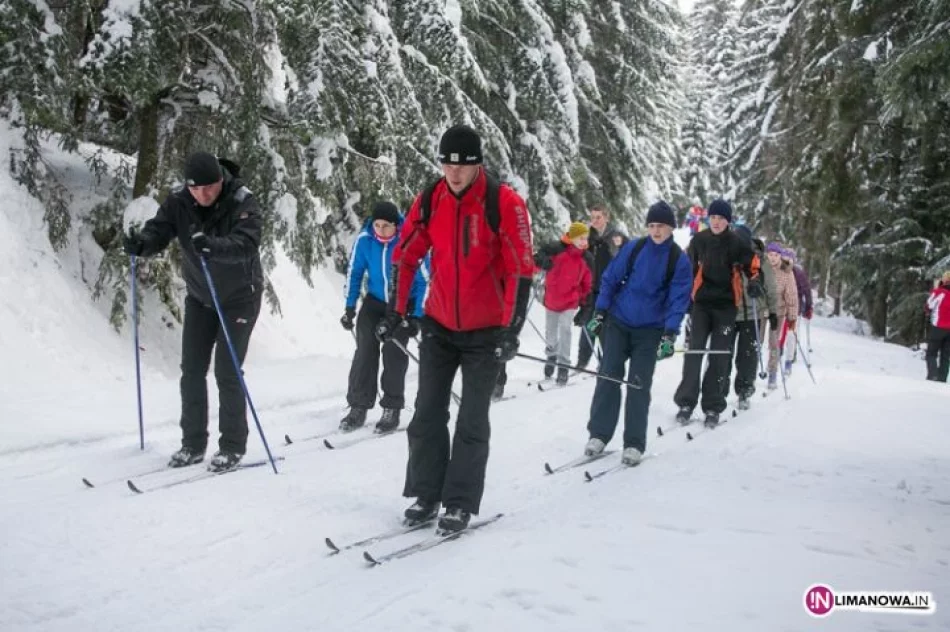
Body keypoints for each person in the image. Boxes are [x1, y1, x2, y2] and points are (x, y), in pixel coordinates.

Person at [377, 124, 534, 532]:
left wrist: (511, 329)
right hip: (439, 323)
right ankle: (427, 494)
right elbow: (406, 256)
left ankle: (459, 502)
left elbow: (521, 269)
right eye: (448, 164)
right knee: (427, 413)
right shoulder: (431, 199)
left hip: (486, 331)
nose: (455, 172)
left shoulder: (504, 203)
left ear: (478, 164)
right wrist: (396, 311)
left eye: (463, 165)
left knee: (472, 419)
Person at [122, 152, 262, 472]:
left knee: (227, 370)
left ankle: (232, 446)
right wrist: (142, 244)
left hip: (240, 297)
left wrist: (213, 246)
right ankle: (193, 444)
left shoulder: (242, 200)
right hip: (201, 297)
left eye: (209, 187)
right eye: (195, 189)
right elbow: (160, 229)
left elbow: (246, 243)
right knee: (192, 370)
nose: (203, 194)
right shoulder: (180, 201)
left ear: (220, 180)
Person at [584, 201, 692, 464]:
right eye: (652, 225)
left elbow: (678, 300)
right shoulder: (634, 248)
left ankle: (633, 443)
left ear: (671, 228)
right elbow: (610, 278)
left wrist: (669, 334)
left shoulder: (678, 260)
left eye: (661, 226)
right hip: (619, 322)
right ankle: (598, 434)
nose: (656, 231)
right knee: (608, 376)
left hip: (650, 330)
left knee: (638, 384)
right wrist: (600, 312)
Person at [339, 201, 429, 433]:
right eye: (377, 225)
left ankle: (391, 407)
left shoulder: (409, 241)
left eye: (386, 226)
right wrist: (349, 307)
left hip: (403, 304)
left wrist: (417, 316)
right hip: (376, 301)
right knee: (365, 350)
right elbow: (354, 272)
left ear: (396, 225)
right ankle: (358, 405)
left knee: (393, 351)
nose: (381, 230)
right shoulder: (365, 240)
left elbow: (424, 281)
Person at [673, 199, 759, 428]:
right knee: (695, 351)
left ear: (728, 221)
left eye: (721, 218)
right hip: (701, 304)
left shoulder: (737, 242)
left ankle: (713, 405)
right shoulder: (699, 240)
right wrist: (686, 300)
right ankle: (686, 402)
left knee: (719, 355)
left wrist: (754, 282)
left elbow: (753, 265)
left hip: (726, 306)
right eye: (713, 217)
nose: (716, 222)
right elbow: (687, 270)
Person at [535, 222, 593, 384]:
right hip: (552, 299)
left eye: (586, 238)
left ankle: (563, 366)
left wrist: (585, 306)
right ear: (572, 237)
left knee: (565, 329)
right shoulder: (556, 249)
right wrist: (542, 261)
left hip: (570, 301)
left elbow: (588, 284)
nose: (584, 241)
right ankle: (551, 356)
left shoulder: (586, 258)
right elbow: (538, 256)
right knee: (551, 334)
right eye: (580, 238)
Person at [730, 225, 778, 408]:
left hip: (752, 314)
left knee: (747, 356)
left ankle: (744, 391)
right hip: (729, 314)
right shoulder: (727, 256)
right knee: (724, 354)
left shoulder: (760, 259)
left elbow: (771, 287)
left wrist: (773, 312)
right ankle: (718, 390)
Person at [576, 204, 627, 369]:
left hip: (608, 289)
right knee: (588, 324)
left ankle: (606, 361)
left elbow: (629, 255)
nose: (595, 221)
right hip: (590, 288)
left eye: (598, 217)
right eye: (592, 217)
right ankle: (582, 361)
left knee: (605, 327)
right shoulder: (587, 236)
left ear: (606, 218)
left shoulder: (615, 236)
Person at [764, 242, 799, 388]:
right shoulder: (761, 267)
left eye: (776, 255)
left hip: (777, 312)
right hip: (760, 310)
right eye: (770, 255)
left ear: (780, 256)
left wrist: (792, 316)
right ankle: (751, 371)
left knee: (774, 342)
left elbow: (791, 295)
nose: (772, 258)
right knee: (756, 340)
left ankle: (772, 373)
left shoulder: (786, 272)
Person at [787, 248, 813, 362]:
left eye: (790, 259)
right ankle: (781, 350)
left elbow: (807, 291)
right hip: (782, 308)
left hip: (795, 308)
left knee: (792, 331)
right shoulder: (779, 271)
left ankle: (792, 353)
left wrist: (808, 307)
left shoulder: (798, 273)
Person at [925, 272, 950, 382]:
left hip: (939, 326)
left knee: (931, 353)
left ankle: (933, 375)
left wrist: (936, 288)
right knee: (946, 356)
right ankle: (942, 378)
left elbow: (929, 305)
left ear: (944, 280)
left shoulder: (940, 292)